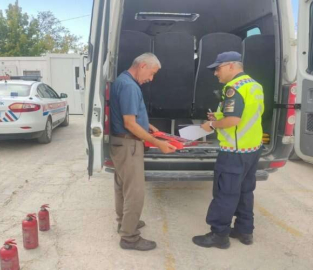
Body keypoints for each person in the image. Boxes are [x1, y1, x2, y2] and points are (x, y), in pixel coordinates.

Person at [192, 51, 265, 249]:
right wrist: (218, 116)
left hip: (235, 150)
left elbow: (234, 120)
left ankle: (219, 235)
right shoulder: (254, 85)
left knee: (226, 193)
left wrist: (211, 126)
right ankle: (244, 230)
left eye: (218, 68)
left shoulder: (234, 88)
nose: (216, 73)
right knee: (245, 191)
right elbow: (248, 115)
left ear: (231, 66)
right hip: (252, 148)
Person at [110, 53, 176, 251]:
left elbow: (128, 117)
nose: (151, 78)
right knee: (135, 192)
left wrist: (148, 125)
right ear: (143, 65)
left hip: (120, 143)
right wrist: (158, 143)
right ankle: (129, 237)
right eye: (152, 73)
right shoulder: (130, 86)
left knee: (122, 187)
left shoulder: (122, 80)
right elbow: (129, 123)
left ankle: (124, 222)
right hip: (129, 144)